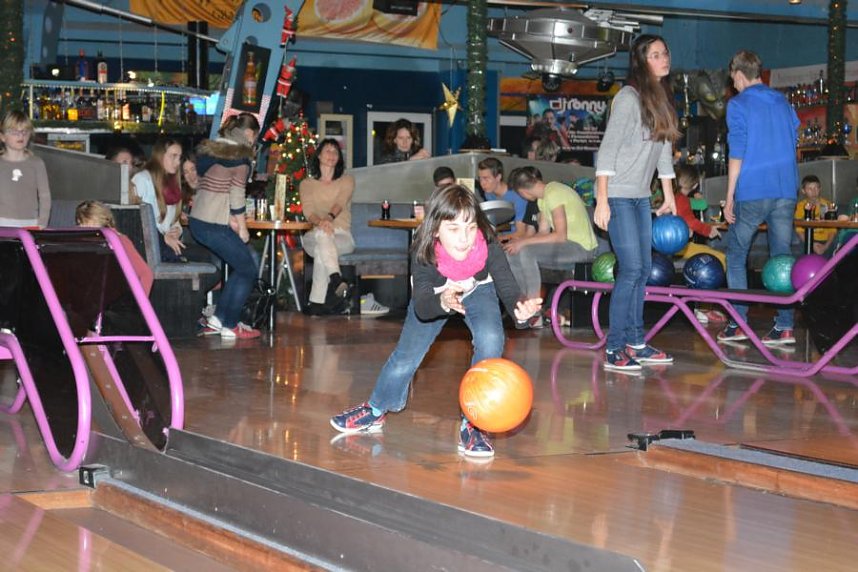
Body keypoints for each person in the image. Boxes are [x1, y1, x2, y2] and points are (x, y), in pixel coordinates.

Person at [330, 185, 542, 458]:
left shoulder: (487, 243)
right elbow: (422, 306)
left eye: (469, 226)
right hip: (435, 296)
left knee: (491, 339)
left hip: (479, 289)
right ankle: (375, 409)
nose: (464, 238)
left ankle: (476, 424)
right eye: (453, 229)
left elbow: (509, 290)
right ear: (435, 230)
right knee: (406, 356)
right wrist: (443, 301)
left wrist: (520, 311)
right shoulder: (423, 252)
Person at [593, 34, 680, 372]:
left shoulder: (661, 99)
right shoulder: (628, 98)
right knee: (630, 270)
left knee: (642, 270)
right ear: (643, 61)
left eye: (665, 52)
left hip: (642, 197)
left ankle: (636, 342)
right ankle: (615, 348)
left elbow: (663, 153)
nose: (664, 58)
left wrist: (669, 196)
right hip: (617, 194)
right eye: (656, 54)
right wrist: (602, 200)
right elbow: (608, 150)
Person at [719, 50, 799, 346]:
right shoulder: (781, 100)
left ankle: (738, 323)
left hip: (753, 190)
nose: (734, 85)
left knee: (737, 255)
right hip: (786, 189)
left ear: (739, 74)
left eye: (733, 80)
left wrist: (729, 197)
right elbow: (794, 135)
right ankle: (785, 327)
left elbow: (736, 153)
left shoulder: (738, 104)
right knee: (782, 258)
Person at [190, 112, 261, 340]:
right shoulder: (240, 156)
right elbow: (237, 195)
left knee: (240, 266)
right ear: (250, 134)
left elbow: (210, 187)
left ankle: (219, 319)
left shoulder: (216, 148)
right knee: (248, 268)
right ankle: (230, 324)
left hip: (199, 221)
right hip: (212, 224)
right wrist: (243, 228)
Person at [504, 166, 598, 327]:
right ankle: (522, 302)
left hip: (582, 249)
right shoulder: (543, 199)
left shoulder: (554, 193)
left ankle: (534, 308)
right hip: (566, 248)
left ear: (523, 192)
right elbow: (542, 234)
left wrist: (523, 242)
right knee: (512, 252)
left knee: (526, 251)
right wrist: (518, 243)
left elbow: (560, 236)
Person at [300, 138, 357, 315]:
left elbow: (340, 202)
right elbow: (308, 211)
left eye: (335, 151)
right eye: (328, 150)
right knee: (321, 236)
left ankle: (317, 301)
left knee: (322, 246)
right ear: (318, 156)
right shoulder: (307, 184)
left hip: (342, 236)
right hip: (313, 235)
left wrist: (329, 219)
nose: (332, 154)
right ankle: (335, 279)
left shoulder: (346, 180)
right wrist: (320, 223)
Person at [672, 165, 727, 325]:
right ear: (695, 185)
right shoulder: (681, 199)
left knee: (708, 253)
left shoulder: (670, 195)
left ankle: (702, 306)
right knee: (718, 259)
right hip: (680, 248)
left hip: (669, 247)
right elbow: (690, 221)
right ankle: (703, 308)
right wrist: (708, 230)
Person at [75, 200, 153, 296]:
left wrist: (137, 305)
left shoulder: (120, 240)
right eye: (80, 225)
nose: (82, 229)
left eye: (88, 225)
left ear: (101, 221)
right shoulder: (83, 242)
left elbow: (146, 273)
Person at [129, 138, 185, 262]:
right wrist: (162, 237)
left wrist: (177, 231)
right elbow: (134, 220)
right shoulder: (142, 179)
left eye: (179, 157)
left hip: (165, 243)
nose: (177, 162)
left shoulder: (173, 183)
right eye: (173, 156)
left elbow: (173, 221)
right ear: (160, 156)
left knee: (207, 258)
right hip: (148, 246)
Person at [0, 110, 50, 228]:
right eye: (14, 132)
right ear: (2, 137)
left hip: (30, 222)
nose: (20, 135)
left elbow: (45, 196)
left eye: (24, 132)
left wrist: (42, 223)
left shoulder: (37, 163)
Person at [477, 157, 532, 242]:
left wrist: (499, 239)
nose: (482, 183)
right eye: (480, 179)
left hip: (517, 241)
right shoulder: (488, 194)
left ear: (498, 177)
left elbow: (521, 232)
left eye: (486, 178)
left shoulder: (518, 197)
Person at [794, 175, 836, 256]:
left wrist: (825, 246)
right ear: (803, 190)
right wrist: (811, 244)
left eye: (816, 188)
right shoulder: (800, 206)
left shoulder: (827, 205)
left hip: (825, 241)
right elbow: (799, 230)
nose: (814, 191)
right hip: (807, 240)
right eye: (810, 189)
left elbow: (832, 230)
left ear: (820, 189)